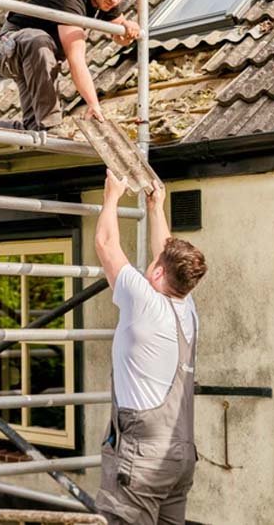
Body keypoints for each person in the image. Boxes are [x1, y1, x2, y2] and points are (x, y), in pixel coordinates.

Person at [94, 169, 207, 525]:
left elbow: (106, 245)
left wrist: (111, 195)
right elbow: (167, 255)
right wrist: (156, 207)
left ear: (158, 274)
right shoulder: (187, 309)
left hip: (142, 460)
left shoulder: (144, 301)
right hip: (179, 457)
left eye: (155, 265)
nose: (151, 265)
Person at [0, 0, 141, 131]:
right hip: (8, 49)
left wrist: (128, 28)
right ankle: (51, 124)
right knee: (39, 41)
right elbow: (76, 60)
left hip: (36, 62)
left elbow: (120, 37)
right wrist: (93, 104)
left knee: (35, 127)